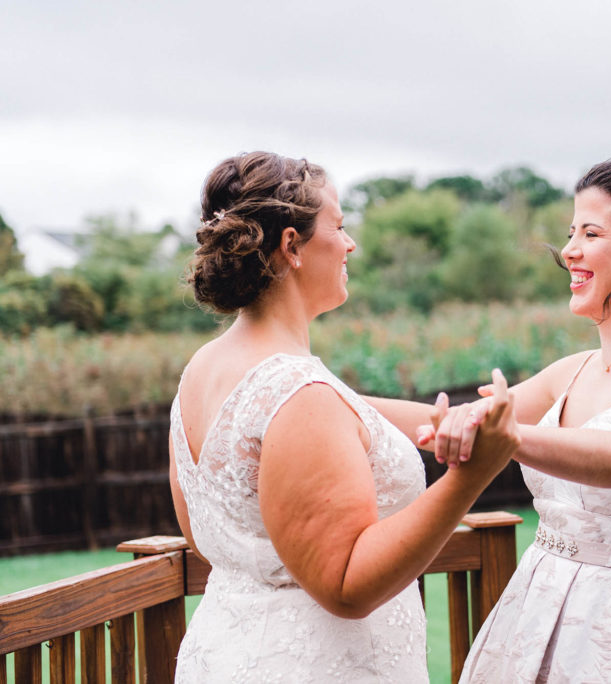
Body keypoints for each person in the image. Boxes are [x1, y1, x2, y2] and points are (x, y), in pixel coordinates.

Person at [167, 151, 519, 682]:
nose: (350, 243)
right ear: (292, 246)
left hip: (228, 654)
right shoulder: (298, 392)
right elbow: (347, 585)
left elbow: (204, 534)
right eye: (339, 225)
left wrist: (446, 420)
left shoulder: (205, 372)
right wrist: (472, 476)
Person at [426, 154, 611, 682]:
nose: (568, 251)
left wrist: (507, 436)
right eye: (572, 233)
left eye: (590, 233)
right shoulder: (573, 370)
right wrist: (319, 389)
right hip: (536, 603)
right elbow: (451, 415)